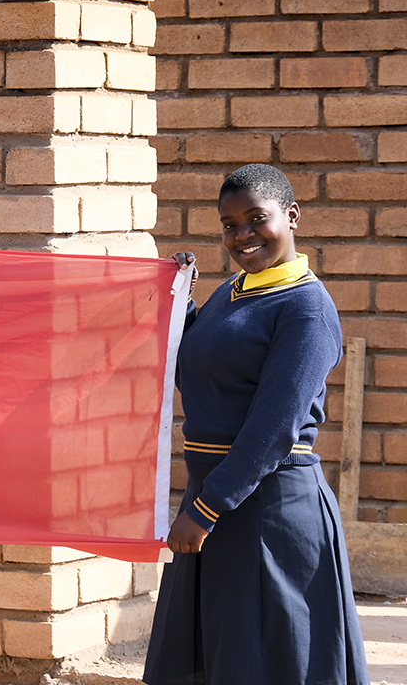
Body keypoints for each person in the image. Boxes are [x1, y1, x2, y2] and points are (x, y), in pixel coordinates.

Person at [144, 163, 368, 685]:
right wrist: (185, 301)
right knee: (215, 657)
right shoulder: (238, 289)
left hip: (269, 509)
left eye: (255, 219)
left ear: (291, 216)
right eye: (228, 224)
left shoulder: (306, 309)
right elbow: (199, 376)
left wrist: (203, 510)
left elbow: (273, 427)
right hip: (219, 499)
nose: (241, 235)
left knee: (265, 663)